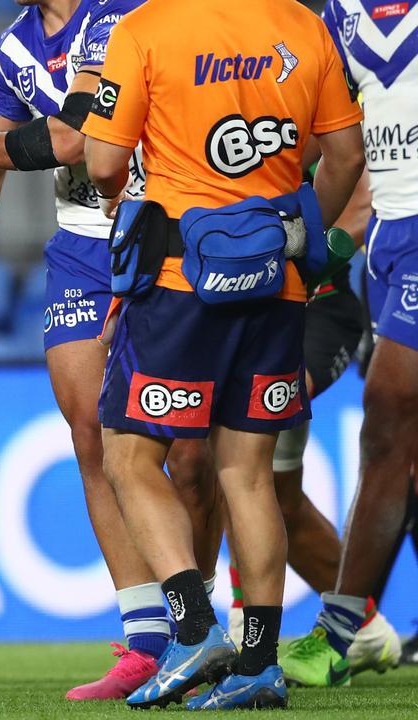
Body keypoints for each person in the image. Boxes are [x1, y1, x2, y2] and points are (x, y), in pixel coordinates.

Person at [0, 0, 222, 701]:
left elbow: (73, 137)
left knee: (188, 452)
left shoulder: (120, 14)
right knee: (92, 433)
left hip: (164, 234)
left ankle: (199, 623)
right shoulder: (12, 50)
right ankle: (146, 639)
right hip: (79, 251)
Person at [82, 0, 364, 708]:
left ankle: (196, 624)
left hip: (181, 281)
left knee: (127, 451)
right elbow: (347, 156)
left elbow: (104, 161)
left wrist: (132, 202)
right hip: (279, 281)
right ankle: (260, 666)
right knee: (248, 475)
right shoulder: (304, 25)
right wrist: (302, 238)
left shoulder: (143, 28)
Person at [279, 0, 418, 688]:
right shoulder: (337, 17)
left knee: (388, 412)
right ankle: (351, 628)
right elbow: (323, 138)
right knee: (399, 440)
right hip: (390, 241)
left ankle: (340, 631)